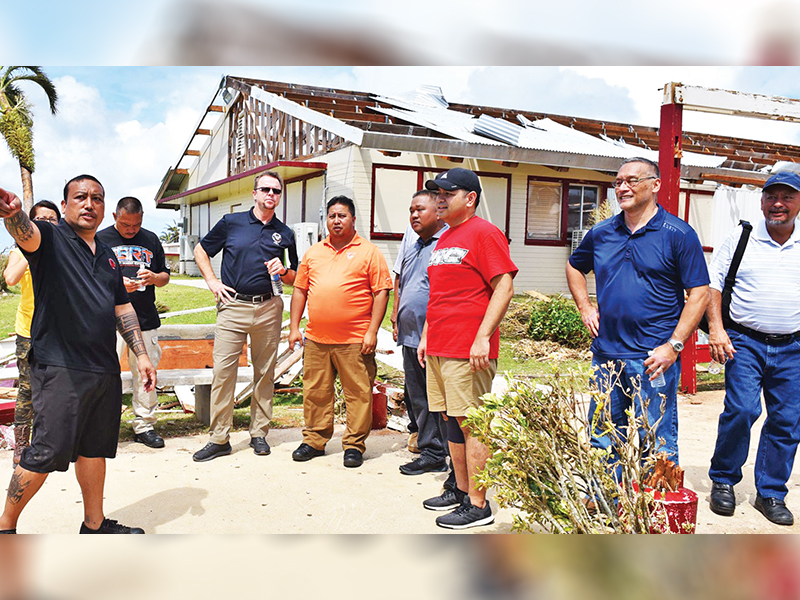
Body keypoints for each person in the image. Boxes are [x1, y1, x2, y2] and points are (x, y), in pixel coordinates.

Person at [0, 175, 156, 534]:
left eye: (97, 198)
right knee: (45, 451)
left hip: (102, 368)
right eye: (81, 197)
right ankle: (5, 527)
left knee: (94, 449)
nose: (90, 204)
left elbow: (123, 308)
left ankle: (94, 524)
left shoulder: (107, 256)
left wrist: (142, 355)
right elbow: (26, 232)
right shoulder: (51, 238)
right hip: (60, 368)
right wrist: (13, 214)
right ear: (66, 203)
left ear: (105, 208)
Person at [566, 156, 709, 470]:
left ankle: (654, 510)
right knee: (602, 437)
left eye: (632, 180)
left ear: (655, 184)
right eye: (618, 182)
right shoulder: (602, 233)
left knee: (656, 439)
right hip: (606, 355)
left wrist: (674, 346)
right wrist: (585, 307)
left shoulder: (678, 234)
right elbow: (575, 267)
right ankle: (605, 507)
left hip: (653, 358)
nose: (622, 187)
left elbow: (699, 293)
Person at [418, 168, 517, 529]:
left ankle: (479, 505)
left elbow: (503, 287)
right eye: (437, 193)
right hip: (441, 347)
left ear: (470, 198)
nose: (440, 198)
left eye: (448, 192)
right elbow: (439, 295)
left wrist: (482, 336)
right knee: (450, 420)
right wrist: (428, 335)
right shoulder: (444, 240)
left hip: (468, 349)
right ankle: (461, 491)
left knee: (472, 423)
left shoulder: (485, 234)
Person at [707, 170, 800, 527]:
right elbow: (713, 284)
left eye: (787, 197)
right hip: (744, 342)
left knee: (788, 421)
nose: (778, 204)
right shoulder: (741, 237)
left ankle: (772, 492)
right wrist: (716, 329)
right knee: (742, 411)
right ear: (761, 201)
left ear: (798, 203)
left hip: (793, 346)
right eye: (771, 196)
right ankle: (724, 480)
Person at [192, 171, 298, 462]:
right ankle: (219, 438)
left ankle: (259, 433)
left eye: (276, 191)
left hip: (269, 307)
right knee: (223, 373)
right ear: (254, 193)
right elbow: (201, 250)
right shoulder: (232, 223)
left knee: (265, 373)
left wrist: (284, 270)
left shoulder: (285, 233)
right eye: (265, 189)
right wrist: (212, 281)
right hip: (233, 306)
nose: (271, 195)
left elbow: (295, 276)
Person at [288, 196, 392, 468]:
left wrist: (372, 331)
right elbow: (300, 289)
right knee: (315, 392)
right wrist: (293, 327)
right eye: (332, 215)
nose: (336, 220)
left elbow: (381, 292)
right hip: (316, 339)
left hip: (355, 340)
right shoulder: (314, 252)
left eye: (342, 215)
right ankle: (314, 440)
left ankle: (354, 445)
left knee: (357, 393)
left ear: (353, 219)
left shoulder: (369, 252)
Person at [97, 196, 170, 449]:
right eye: (126, 224)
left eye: (135, 225)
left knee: (146, 375)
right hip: (108, 320)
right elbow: (89, 279)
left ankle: (145, 425)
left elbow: (165, 277)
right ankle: (103, 424)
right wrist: (116, 285)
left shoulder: (150, 239)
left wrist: (153, 277)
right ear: (115, 217)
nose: (130, 230)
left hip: (145, 319)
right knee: (104, 373)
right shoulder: (100, 239)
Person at [391, 191, 453, 478]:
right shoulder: (415, 243)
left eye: (420, 210)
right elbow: (402, 280)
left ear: (438, 213)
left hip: (434, 337)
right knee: (416, 395)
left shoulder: (446, 245)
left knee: (432, 398)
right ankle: (429, 446)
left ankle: (435, 452)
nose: (414, 215)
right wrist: (396, 316)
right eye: (411, 210)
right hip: (410, 333)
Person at [3, 200, 60, 466]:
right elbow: (11, 279)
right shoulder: (19, 252)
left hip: (60, 331)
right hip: (29, 331)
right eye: (42, 219)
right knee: (27, 388)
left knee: (58, 386)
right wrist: (30, 250)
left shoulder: (65, 250)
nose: (48, 223)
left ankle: (50, 439)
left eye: (52, 219)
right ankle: (22, 445)